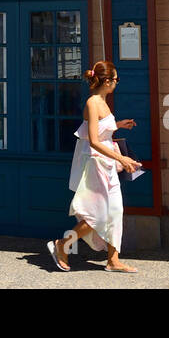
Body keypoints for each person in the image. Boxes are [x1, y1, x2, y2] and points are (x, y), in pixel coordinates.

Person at [47, 61, 141, 273]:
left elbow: (100, 130)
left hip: (108, 164)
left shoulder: (104, 101)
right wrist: (123, 160)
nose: (117, 83)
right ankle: (62, 245)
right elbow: (93, 141)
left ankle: (113, 261)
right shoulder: (92, 102)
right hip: (97, 164)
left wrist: (117, 125)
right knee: (96, 215)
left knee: (116, 211)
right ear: (107, 81)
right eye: (116, 79)